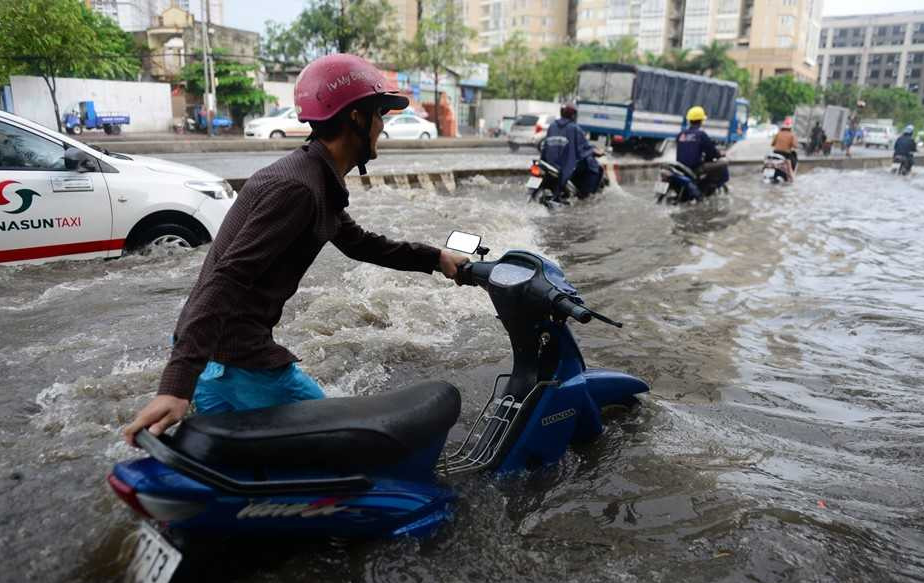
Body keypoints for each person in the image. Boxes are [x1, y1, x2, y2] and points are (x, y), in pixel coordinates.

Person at [122, 53, 470, 445]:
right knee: (354, 447)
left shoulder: (312, 177)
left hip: (223, 356)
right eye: (379, 115)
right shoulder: (299, 190)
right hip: (234, 364)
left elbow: (360, 244)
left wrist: (435, 258)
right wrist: (176, 384)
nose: (382, 128)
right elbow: (227, 279)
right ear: (356, 117)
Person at [539, 103, 604, 200]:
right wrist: (595, 151)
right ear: (573, 115)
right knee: (593, 167)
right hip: (566, 165)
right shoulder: (574, 128)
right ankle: (585, 196)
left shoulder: (552, 126)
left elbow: (546, 146)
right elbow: (583, 148)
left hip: (550, 163)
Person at [675, 105, 728, 198]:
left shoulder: (681, 134)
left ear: (689, 120)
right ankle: (706, 189)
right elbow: (711, 152)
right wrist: (719, 155)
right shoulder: (701, 134)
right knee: (723, 163)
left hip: (680, 167)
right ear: (701, 121)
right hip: (694, 168)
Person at [771, 117, 798, 181]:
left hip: (775, 153)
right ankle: (790, 175)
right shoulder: (792, 135)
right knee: (792, 162)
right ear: (790, 128)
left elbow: (772, 144)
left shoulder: (778, 134)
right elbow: (795, 145)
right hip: (785, 154)